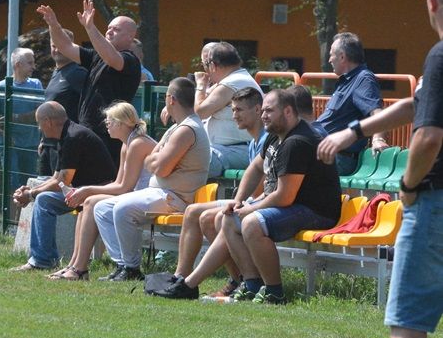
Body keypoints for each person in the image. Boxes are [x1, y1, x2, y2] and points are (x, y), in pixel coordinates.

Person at [318, 0, 443, 338]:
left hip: (435, 201)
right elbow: (417, 104)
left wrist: (408, 186)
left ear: (431, 0)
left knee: (409, 318)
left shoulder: (441, 55)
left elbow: (426, 137)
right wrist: (356, 129)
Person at [155, 89, 340, 302]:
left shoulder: (297, 141)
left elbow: (285, 197)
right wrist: (238, 200)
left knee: (251, 222)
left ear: (288, 111)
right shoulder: (276, 136)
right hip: (292, 205)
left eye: (269, 111)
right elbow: (255, 168)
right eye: (263, 111)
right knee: (228, 217)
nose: (263, 115)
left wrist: (250, 209)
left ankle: (273, 292)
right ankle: (249, 284)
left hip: (315, 211)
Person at [94, 77, 210, 281]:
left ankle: (131, 269)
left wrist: (156, 161)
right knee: (102, 208)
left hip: (175, 198)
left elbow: (160, 168)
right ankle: (123, 265)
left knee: (123, 208)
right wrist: (156, 160)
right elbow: (154, 159)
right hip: (161, 193)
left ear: (171, 99)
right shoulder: (177, 127)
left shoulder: (186, 129)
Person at [171, 87, 266, 296]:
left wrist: (241, 203)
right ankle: (181, 276)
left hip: (259, 203)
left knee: (208, 218)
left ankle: (242, 280)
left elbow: (261, 191)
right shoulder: (253, 142)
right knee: (194, 212)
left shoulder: (266, 140)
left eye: (239, 110)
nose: (234, 116)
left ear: (258, 110)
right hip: (252, 200)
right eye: (233, 110)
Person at [48, 101, 156, 281]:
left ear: (122, 123)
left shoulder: (137, 143)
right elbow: (120, 183)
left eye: (110, 120)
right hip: (137, 195)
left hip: (147, 197)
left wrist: (87, 190)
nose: (106, 124)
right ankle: (74, 265)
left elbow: (124, 188)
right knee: (87, 202)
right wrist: (86, 192)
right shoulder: (126, 144)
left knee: (90, 201)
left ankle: (81, 268)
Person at [10, 101, 115, 271]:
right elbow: (57, 178)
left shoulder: (73, 137)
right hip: (81, 192)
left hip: (97, 194)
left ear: (48, 122)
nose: (39, 128)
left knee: (44, 200)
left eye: (39, 123)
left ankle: (42, 260)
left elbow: (63, 182)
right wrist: (30, 191)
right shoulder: (66, 135)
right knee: (43, 198)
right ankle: (43, 259)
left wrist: (31, 195)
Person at [37, 1, 141, 168]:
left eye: (116, 29)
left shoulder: (130, 60)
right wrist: (54, 25)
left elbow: (111, 57)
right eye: (109, 27)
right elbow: (65, 46)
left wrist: (90, 27)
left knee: (102, 180)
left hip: (110, 134)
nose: (110, 31)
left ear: (130, 36)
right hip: (87, 130)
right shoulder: (96, 56)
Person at [313, 32, 389, 175]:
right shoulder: (346, 81)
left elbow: (378, 113)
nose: (329, 60)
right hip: (324, 151)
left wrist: (378, 139)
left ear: (342, 56)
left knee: (290, 157)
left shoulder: (363, 79)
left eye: (331, 55)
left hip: (337, 156)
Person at [194, 42, 262, 177]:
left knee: (194, 160)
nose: (205, 72)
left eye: (205, 66)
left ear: (213, 66)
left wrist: (201, 85)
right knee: (176, 154)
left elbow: (199, 112)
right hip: (227, 149)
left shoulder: (232, 82)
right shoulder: (233, 79)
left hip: (240, 149)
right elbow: (201, 100)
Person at [0, 47, 43, 190]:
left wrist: (15, 117)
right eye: (30, 63)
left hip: (30, 142)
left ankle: (23, 213)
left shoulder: (36, 84)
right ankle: (10, 213)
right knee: (12, 184)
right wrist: (2, 133)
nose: (33, 67)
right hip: (9, 144)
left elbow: (41, 112)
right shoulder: (1, 87)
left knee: (30, 184)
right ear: (18, 65)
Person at [39, 35, 87, 176]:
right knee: (41, 186)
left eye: (60, 45)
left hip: (66, 144)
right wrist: (43, 139)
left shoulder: (78, 73)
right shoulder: (56, 72)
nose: (56, 49)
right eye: (53, 46)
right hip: (49, 144)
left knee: (58, 188)